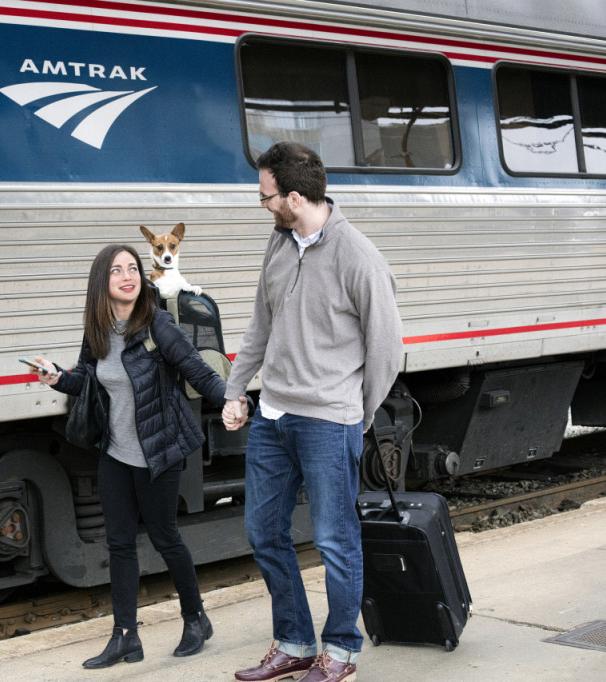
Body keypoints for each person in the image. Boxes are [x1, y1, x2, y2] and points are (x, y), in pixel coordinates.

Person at [222, 142, 403, 682]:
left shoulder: (359, 257)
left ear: (295, 197)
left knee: (334, 539)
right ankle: (295, 642)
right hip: (272, 417)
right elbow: (260, 325)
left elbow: (388, 350)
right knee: (264, 532)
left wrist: (359, 410)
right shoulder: (279, 244)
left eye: (266, 196)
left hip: (329, 419)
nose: (263, 204)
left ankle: (341, 652)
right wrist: (237, 390)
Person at [31, 244, 230, 669]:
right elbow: (86, 379)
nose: (128, 276)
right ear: (101, 282)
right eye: (117, 270)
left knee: (164, 538)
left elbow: (199, 371)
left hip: (159, 451)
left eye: (133, 269)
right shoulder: (99, 330)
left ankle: (196, 618)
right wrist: (57, 378)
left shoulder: (159, 326)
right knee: (119, 544)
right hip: (116, 453)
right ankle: (125, 637)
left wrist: (234, 403)